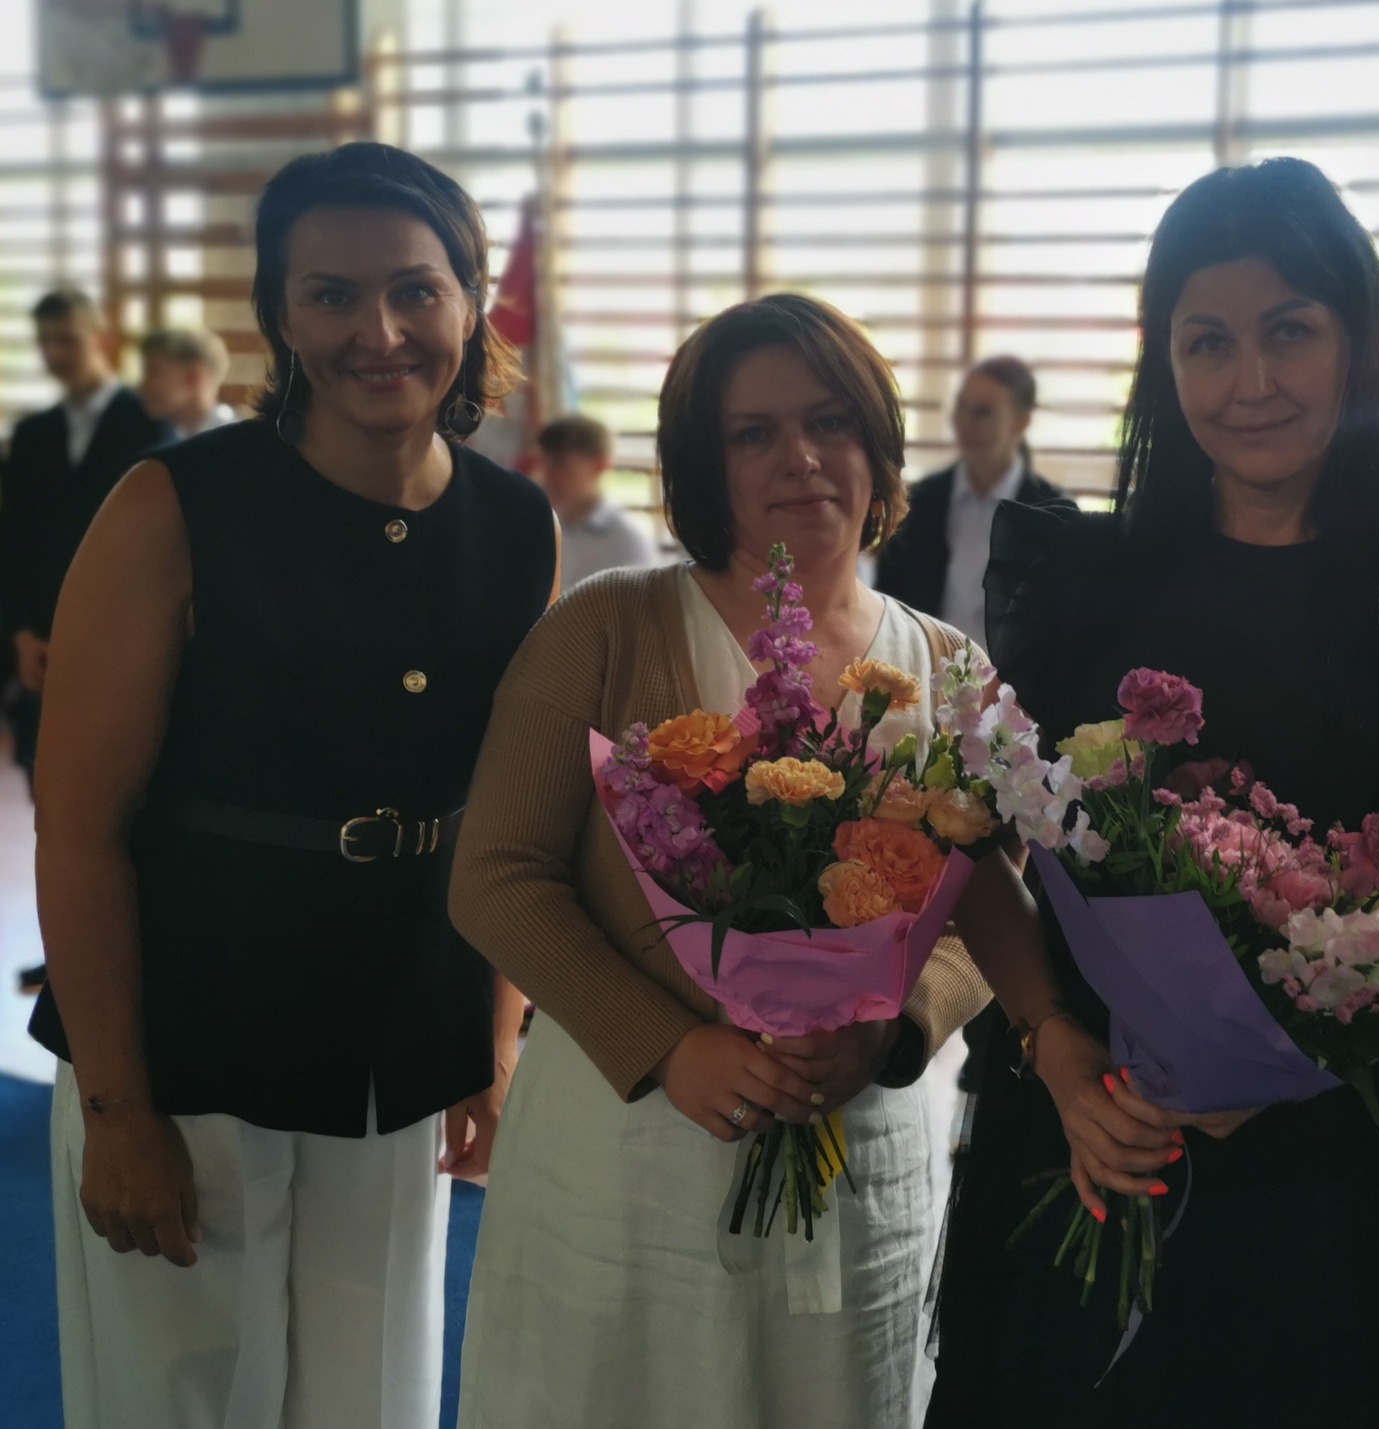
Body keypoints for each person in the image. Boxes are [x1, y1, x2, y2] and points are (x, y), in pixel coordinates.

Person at [927, 157, 1379, 1428]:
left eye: (1289, 331)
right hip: (1086, 1137)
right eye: (1206, 340)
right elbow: (974, 851)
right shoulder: (1074, 583)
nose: (1249, 379)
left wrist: (1322, 1038)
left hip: (1321, 1180)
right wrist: (1055, 1049)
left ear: (1357, 342)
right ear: (1163, 361)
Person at [27, 141, 557, 1428]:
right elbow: (81, 829)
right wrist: (117, 1106)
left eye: (415, 289)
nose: (379, 331)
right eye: (331, 294)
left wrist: (493, 1043)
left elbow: (510, 816)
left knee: (376, 1398)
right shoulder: (173, 504)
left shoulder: (515, 524)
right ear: (278, 313)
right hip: (191, 1035)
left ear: (470, 300)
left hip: (403, 1033)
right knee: (188, 1399)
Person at [448, 292, 991, 1429]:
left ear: (878, 443)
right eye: (753, 433)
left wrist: (895, 1032)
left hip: (862, 1150)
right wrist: (668, 1044)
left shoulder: (948, 666)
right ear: (703, 464)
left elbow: (996, 903)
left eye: (830, 421)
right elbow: (496, 872)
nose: (801, 457)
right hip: (632, 1144)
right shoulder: (606, 626)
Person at [0, 288, 175, 782]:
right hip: (42, 639)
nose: (54, 353)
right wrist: (19, 632)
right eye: (45, 341)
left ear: (102, 339)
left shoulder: (149, 423)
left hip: (126, 636)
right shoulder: (33, 434)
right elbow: (13, 540)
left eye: (67, 339)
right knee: (45, 781)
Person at [872, 354, 1073, 650]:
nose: (966, 424)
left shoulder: (1053, 514)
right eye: (961, 408)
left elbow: (1061, 622)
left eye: (983, 412)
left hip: (1014, 675)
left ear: (1021, 421)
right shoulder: (920, 501)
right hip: (924, 665)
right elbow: (889, 601)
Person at [536, 412, 661, 590]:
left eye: (559, 463)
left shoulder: (625, 540)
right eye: (544, 463)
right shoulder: (543, 529)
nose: (547, 474)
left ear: (599, 465)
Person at [138, 327, 237, 439]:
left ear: (194, 378)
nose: (142, 386)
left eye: (153, 372)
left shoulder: (231, 441)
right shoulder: (172, 436)